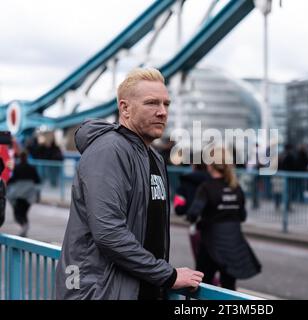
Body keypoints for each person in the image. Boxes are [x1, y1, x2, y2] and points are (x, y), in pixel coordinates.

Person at [55, 68, 203, 300]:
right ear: (125, 108)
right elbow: (108, 232)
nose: (162, 112)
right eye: (152, 103)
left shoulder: (152, 157)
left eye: (166, 104)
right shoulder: (108, 151)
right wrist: (168, 275)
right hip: (99, 292)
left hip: (138, 288)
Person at [187, 147, 261, 290]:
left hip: (210, 244)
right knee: (229, 288)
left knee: (203, 286)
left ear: (210, 164)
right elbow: (242, 216)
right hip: (233, 244)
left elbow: (193, 214)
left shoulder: (206, 187)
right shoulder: (236, 187)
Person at [6, 151, 41, 237]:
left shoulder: (17, 168)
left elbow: (13, 179)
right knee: (24, 212)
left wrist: (6, 183)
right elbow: (37, 180)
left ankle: (24, 227)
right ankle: (24, 227)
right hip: (29, 194)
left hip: (19, 194)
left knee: (18, 212)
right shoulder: (32, 168)